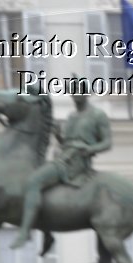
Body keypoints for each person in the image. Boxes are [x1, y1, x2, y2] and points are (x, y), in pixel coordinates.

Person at [14, 93, 112, 249]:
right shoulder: (72, 116)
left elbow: (107, 142)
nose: (75, 97)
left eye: (79, 93)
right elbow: (67, 141)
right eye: (74, 94)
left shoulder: (98, 115)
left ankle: (25, 231)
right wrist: (59, 135)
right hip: (63, 156)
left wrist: (90, 148)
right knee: (42, 188)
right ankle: (47, 233)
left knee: (34, 181)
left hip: (76, 161)